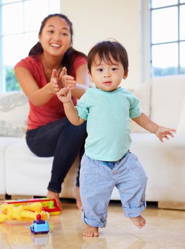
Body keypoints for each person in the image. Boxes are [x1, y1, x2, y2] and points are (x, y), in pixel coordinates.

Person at [57, 40, 176, 237]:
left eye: (114, 68)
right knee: (93, 196)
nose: (107, 74)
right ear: (91, 74)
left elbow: (139, 116)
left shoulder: (126, 97)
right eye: (100, 69)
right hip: (95, 162)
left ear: (125, 73)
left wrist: (156, 129)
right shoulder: (89, 96)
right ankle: (93, 224)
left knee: (138, 179)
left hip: (123, 158)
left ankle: (133, 210)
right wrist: (67, 102)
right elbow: (76, 120)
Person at [14, 13, 90, 209]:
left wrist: (71, 86)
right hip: (40, 137)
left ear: (70, 40)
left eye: (64, 33)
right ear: (40, 36)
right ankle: (53, 189)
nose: (57, 37)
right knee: (77, 122)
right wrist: (52, 86)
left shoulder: (78, 60)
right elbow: (35, 99)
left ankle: (82, 188)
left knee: (84, 119)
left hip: (73, 128)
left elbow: (88, 93)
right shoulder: (24, 66)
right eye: (51, 31)